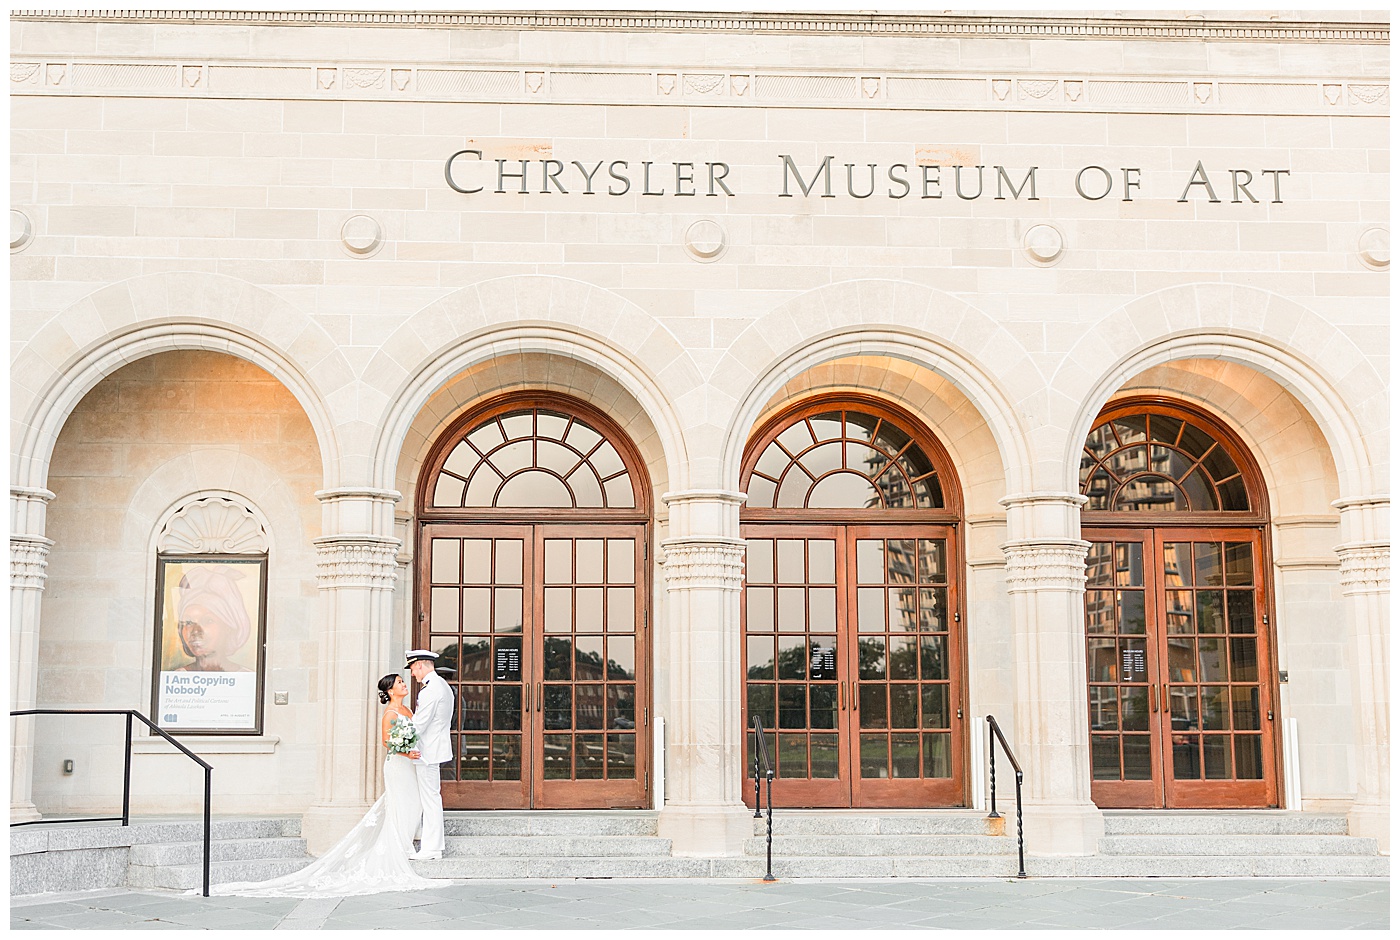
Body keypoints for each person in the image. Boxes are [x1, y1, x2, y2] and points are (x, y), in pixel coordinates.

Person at [208, 674, 440, 897]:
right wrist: (405, 752)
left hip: (410, 764)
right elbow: (386, 741)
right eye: (400, 682)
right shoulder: (389, 713)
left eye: (402, 681)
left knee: (413, 803)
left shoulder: (408, 710)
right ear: (390, 691)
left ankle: (405, 841)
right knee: (400, 803)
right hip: (398, 764)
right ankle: (400, 847)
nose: (404, 685)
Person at [405, 649, 452, 861]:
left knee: (430, 800)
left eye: (413, 669)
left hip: (427, 752)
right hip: (433, 749)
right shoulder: (441, 686)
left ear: (421, 665)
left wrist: (402, 743)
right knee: (431, 798)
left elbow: (419, 724)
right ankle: (431, 846)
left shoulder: (431, 690)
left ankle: (431, 848)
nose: (413, 674)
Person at [172, 566, 254, 672]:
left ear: (228, 627)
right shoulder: (177, 678)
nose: (196, 631)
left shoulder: (246, 678)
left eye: (208, 621)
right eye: (188, 622)